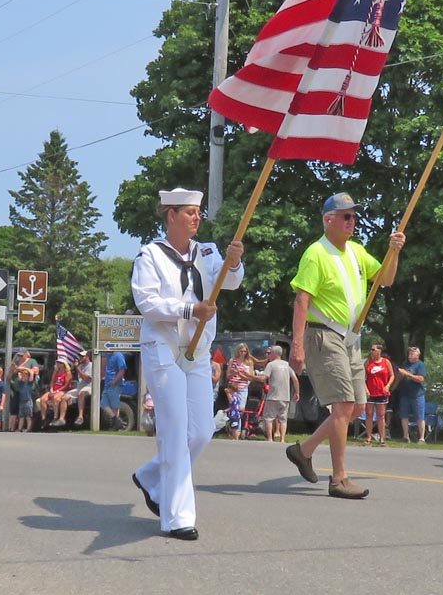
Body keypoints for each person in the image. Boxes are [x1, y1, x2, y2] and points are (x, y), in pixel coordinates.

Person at [130, 187, 245, 540]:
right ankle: (177, 516)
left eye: (198, 212)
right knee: (176, 429)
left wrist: (234, 262)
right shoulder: (150, 255)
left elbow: (230, 283)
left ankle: (151, 477)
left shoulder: (207, 252)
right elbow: (147, 303)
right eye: (190, 212)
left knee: (202, 431)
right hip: (163, 346)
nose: (197, 218)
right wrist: (189, 310)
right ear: (171, 215)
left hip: (197, 350)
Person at [285, 192, 405, 500]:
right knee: (341, 406)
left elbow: (385, 279)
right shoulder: (316, 253)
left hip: (350, 338)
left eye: (354, 216)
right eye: (346, 216)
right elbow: (302, 300)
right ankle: (339, 479)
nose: (353, 221)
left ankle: (304, 450)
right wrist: (297, 345)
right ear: (328, 220)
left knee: (358, 407)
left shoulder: (356, 251)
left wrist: (394, 252)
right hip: (324, 335)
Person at [239, 345, 299, 442]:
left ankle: (270, 439)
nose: (268, 355)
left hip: (273, 396)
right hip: (285, 397)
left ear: (274, 354)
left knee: (268, 418)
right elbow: (295, 379)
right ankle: (282, 439)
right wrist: (297, 392)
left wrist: (250, 376)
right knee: (283, 419)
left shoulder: (271, 365)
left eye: (270, 353)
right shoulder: (286, 365)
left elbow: (263, 378)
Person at [364, 341, 395, 446]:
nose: (371, 351)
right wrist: (366, 389)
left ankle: (382, 438)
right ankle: (368, 437)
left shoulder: (386, 362)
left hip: (382, 392)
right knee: (369, 415)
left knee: (381, 415)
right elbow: (362, 376)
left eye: (373, 349)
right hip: (370, 392)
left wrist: (388, 385)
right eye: (371, 350)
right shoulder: (368, 362)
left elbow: (392, 375)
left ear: (379, 351)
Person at [398, 346, 427, 443]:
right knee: (404, 415)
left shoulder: (420, 365)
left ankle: (421, 438)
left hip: (417, 395)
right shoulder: (405, 364)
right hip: (405, 394)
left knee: (419, 416)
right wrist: (401, 375)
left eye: (412, 354)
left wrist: (407, 374)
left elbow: (421, 379)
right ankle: (405, 436)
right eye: (409, 353)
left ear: (417, 355)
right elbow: (401, 377)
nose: (409, 355)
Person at [7, 349, 39, 431]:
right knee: (14, 408)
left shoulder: (32, 361)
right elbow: (9, 377)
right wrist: (12, 369)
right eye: (18, 355)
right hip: (16, 389)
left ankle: (28, 428)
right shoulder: (16, 362)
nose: (20, 357)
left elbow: (35, 371)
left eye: (21, 355)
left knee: (28, 412)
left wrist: (20, 368)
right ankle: (12, 428)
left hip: (28, 390)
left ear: (26, 354)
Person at [41, 358, 72, 427]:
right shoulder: (56, 372)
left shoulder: (67, 373)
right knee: (43, 399)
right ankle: (43, 418)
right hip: (54, 389)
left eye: (60, 363)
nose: (58, 364)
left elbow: (66, 385)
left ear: (64, 364)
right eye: (57, 362)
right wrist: (51, 389)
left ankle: (55, 417)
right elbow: (52, 381)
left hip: (63, 390)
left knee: (55, 398)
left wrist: (57, 391)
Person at [101, 350, 127, 430]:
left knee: (114, 405)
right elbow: (104, 368)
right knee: (103, 404)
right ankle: (117, 421)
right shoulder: (108, 355)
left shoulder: (118, 355)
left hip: (115, 384)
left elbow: (122, 370)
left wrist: (115, 381)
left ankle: (115, 425)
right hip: (107, 383)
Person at [72, 351, 93, 427]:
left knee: (81, 393)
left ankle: (80, 416)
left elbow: (86, 378)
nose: (80, 358)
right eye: (80, 356)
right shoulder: (80, 366)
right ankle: (61, 419)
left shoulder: (91, 365)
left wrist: (77, 368)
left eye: (82, 356)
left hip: (89, 386)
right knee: (65, 397)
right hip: (80, 387)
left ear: (87, 357)